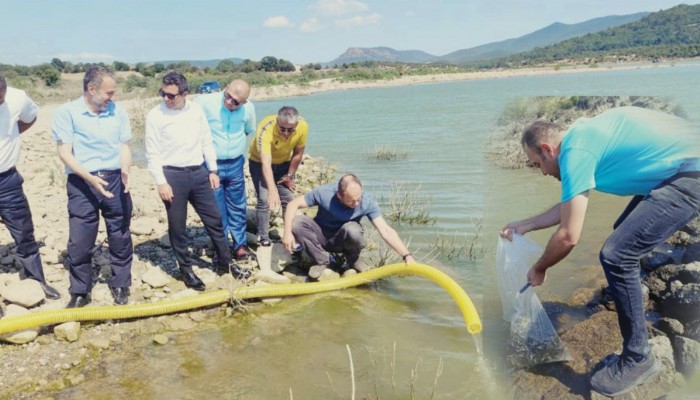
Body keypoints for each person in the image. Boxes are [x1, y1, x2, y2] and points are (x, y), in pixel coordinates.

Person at [499, 106, 700, 397]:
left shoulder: (576, 151)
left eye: (537, 163)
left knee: (617, 255)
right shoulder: (581, 137)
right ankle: (632, 290)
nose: (541, 172)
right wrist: (526, 225)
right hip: (676, 168)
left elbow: (568, 236)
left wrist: (540, 268)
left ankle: (639, 358)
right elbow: (569, 205)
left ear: (547, 149)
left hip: (690, 174)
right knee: (624, 233)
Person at [145, 71, 251, 291]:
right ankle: (187, 271)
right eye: (162, 93)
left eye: (171, 95)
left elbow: (206, 141)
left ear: (184, 94)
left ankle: (225, 264)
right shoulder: (155, 115)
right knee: (178, 227)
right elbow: (152, 152)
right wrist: (160, 181)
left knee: (214, 220)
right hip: (172, 175)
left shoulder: (195, 110)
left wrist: (212, 170)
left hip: (198, 172)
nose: (166, 98)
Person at [52, 66, 133, 307]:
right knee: (79, 241)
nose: (113, 98)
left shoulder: (118, 112)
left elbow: (125, 146)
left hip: (114, 178)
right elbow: (64, 153)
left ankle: (121, 284)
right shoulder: (66, 112)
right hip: (82, 182)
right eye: (108, 93)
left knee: (119, 234)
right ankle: (80, 291)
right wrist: (90, 178)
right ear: (91, 89)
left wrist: (126, 169)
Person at [282, 174, 415, 279]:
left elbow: (385, 230)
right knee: (297, 223)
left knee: (353, 229)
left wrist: (406, 255)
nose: (356, 203)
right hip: (321, 236)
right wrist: (287, 233)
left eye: (359, 198)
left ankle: (353, 260)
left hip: (343, 240)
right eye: (351, 200)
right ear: (339, 195)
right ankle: (321, 261)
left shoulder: (367, 202)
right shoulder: (324, 193)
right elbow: (293, 204)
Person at [0, 76, 60, 301]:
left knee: (24, 232)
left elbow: (30, 118)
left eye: (1, 97)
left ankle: (36, 281)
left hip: (7, 180)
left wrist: (11, 135)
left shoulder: (18, 98)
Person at [195, 79, 256, 261]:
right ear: (225, 89)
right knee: (216, 207)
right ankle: (221, 245)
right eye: (227, 96)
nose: (229, 102)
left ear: (244, 102)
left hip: (236, 163)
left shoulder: (249, 109)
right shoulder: (203, 103)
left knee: (237, 205)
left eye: (236, 101)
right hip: (212, 166)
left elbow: (248, 130)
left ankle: (239, 246)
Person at [248, 106, 307, 247]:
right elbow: (266, 164)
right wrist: (272, 190)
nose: (286, 132)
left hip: (283, 163)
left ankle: (291, 233)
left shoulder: (303, 126)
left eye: (290, 129)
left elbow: (298, 154)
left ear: (296, 124)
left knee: (289, 199)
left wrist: (289, 176)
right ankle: (263, 237)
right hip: (259, 162)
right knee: (264, 199)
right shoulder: (266, 128)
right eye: (282, 128)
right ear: (277, 122)